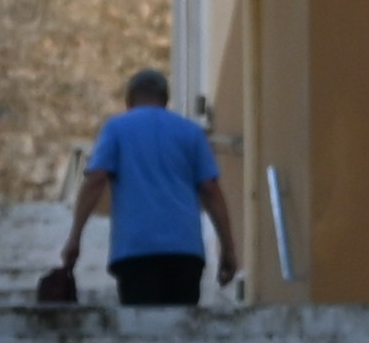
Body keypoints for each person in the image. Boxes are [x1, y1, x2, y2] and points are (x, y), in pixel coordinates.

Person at [61, 69, 238, 308]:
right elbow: (211, 190)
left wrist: (75, 238)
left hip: (135, 250)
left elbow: (95, 180)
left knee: (141, 333)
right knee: (180, 331)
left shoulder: (116, 129)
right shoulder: (191, 132)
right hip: (185, 251)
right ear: (165, 99)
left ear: (129, 100)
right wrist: (228, 248)